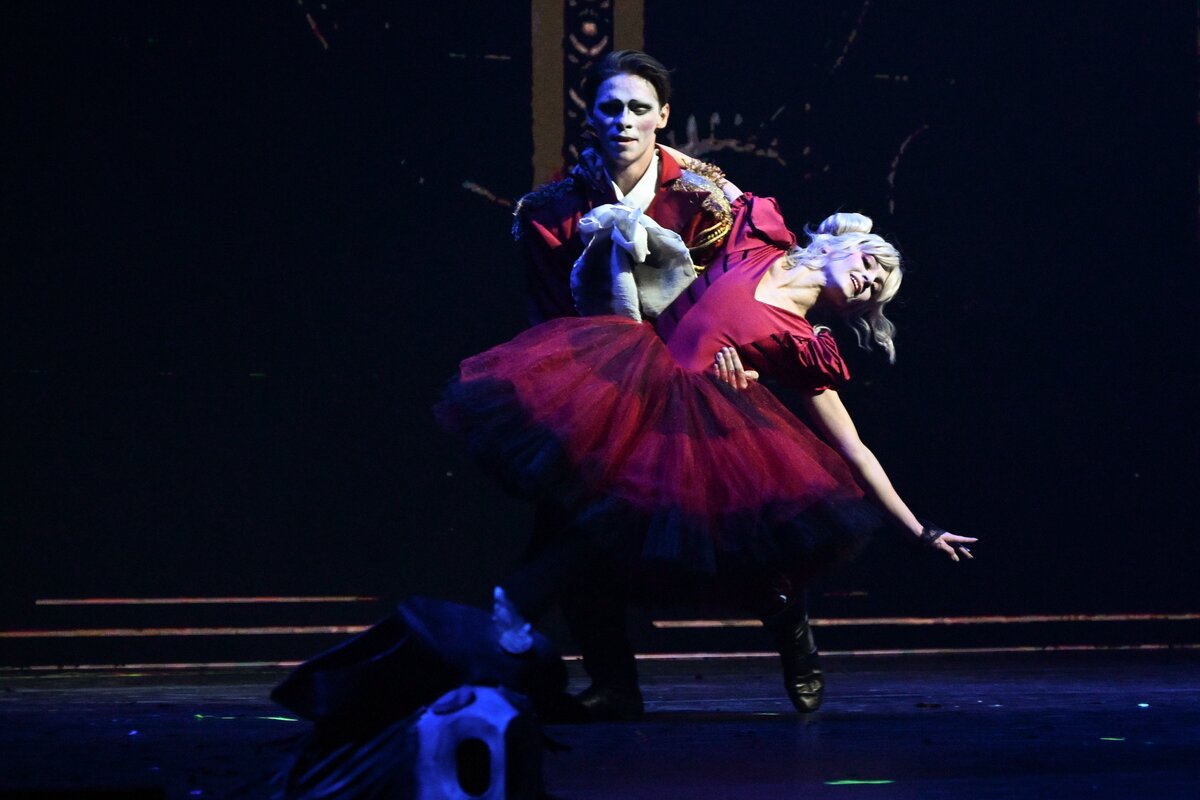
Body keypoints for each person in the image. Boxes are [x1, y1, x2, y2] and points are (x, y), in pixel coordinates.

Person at [437, 187, 977, 716]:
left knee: (730, 559)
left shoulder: (806, 343)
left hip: (693, 433)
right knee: (585, 524)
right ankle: (555, 642)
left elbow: (852, 447)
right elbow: (708, 183)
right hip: (632, 389)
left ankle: (789, 626)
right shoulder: (757, 241)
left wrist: (919, 529)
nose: (870, 280)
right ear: (839, 245)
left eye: (877, 287)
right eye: (871, 264)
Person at [510, 50, 735, 720]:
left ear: (663, 116)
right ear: (592, 118)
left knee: (734, 526)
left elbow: (732, 290)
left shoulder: (704, 200)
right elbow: (551, 314)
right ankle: (605, 679)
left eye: (639, 108)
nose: (625, 121)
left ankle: (787, 621)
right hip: (597, 385)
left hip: (689, 378)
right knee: (579, 522)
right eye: (611, 108)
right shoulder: (552, 210)